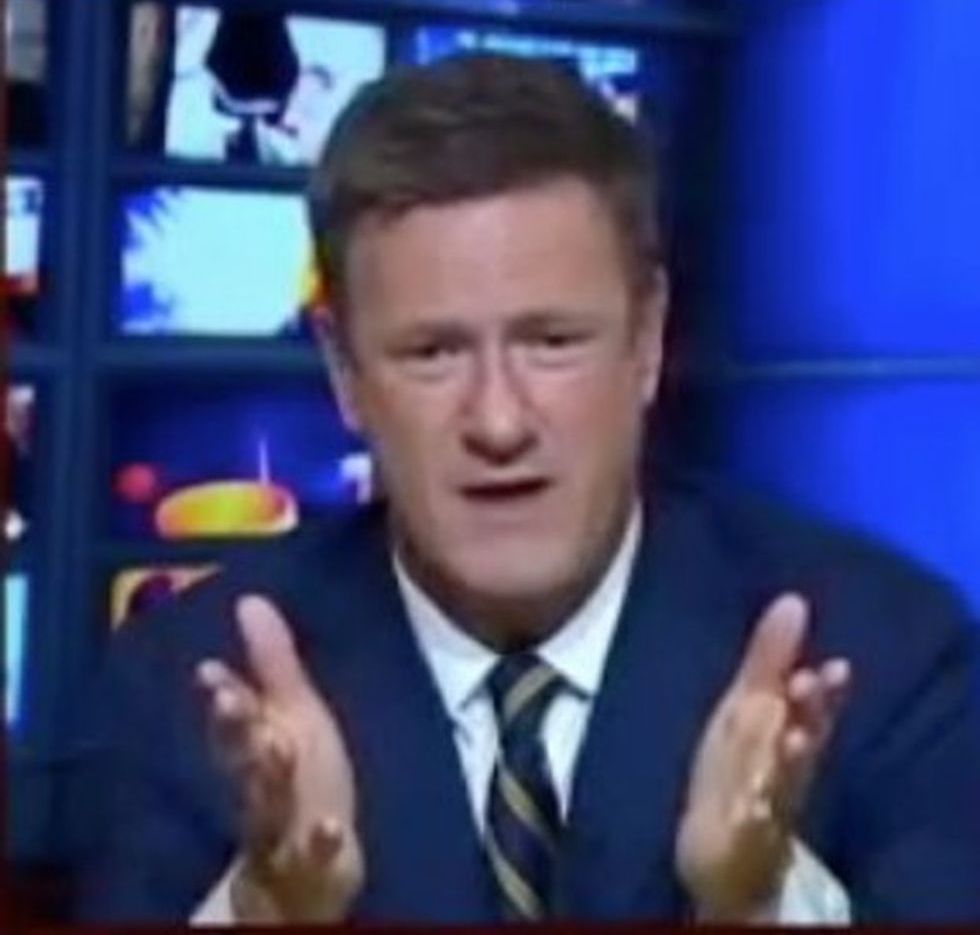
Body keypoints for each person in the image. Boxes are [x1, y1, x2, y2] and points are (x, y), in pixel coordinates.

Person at [78, 52, 980, 924]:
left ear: (648, 340)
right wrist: (270, 912)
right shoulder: (184, 696)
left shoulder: (889, 663)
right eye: (432, 352)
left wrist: (754, 907)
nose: (499, 421)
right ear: (344, 371)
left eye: (552, 342)